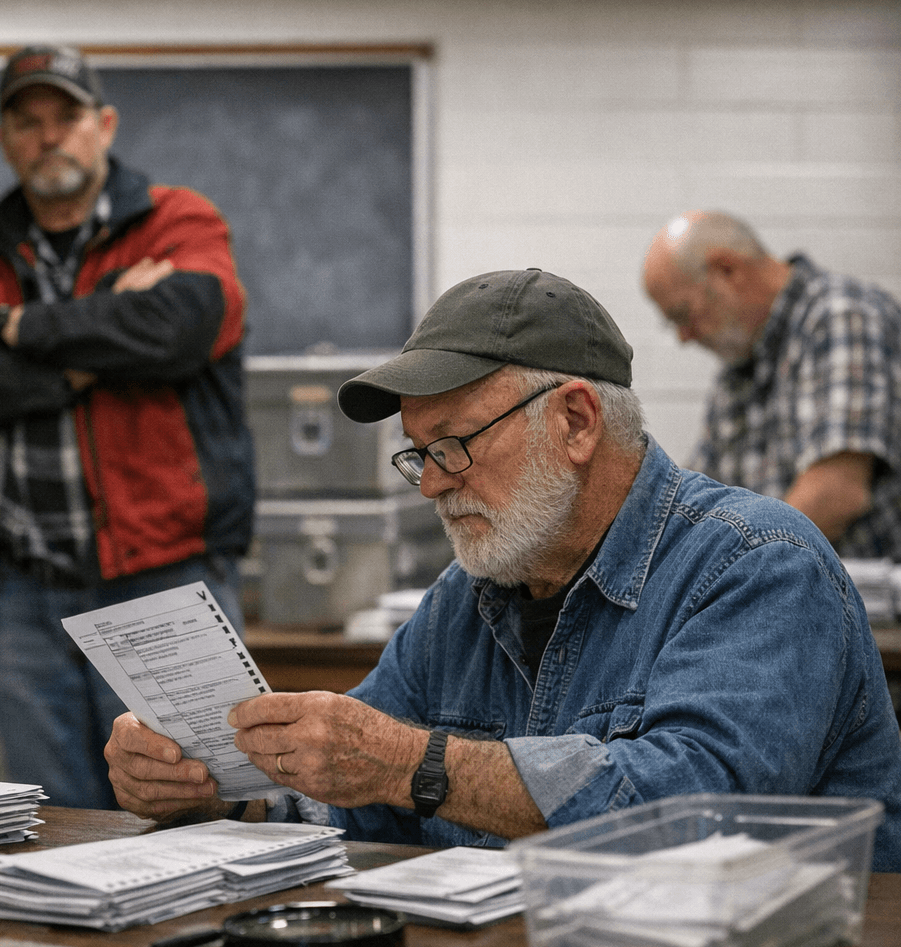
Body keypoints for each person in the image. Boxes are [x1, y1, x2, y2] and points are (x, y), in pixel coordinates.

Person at [104, 268, 901, 871]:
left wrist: (416, 765)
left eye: (454, 445)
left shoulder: (759, 565)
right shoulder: (465, 600)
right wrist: (223, 794)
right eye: (419, 454)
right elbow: (358, 796)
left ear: (576, 421)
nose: (433, 485)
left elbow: (692, 815)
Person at [0, 46, 254, 809]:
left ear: (105, 126)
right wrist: (84, 357)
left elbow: (183, 327)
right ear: (3, 141)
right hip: (18, 593)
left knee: (196, 801)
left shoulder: (178, 219)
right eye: (27, 122)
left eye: (67, 117)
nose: (48, 136)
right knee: (57, 818)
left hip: (164, 573)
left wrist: (14, 327)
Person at [642, 210, 901, 560]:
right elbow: (697, 499)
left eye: (682, 314)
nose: (683, 337)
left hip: (856, 588)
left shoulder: (843, 317)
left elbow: (837, 492)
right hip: (778, 577)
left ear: (727, 270)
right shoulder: (739, 364)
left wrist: (730, 568)